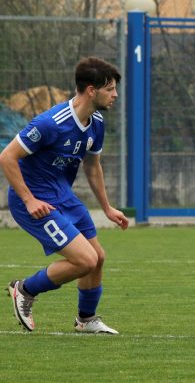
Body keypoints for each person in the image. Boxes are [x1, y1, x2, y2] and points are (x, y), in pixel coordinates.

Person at [0, 57, 128, 334]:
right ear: (91, 90)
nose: (115, 95)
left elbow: (92, 167)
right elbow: (7, 157)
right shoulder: (50, 123)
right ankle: (24, 289)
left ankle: (86, 320)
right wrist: (29, 199)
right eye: (110, 89)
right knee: (85, 260)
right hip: (35, 200)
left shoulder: (96, 123)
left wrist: (106, 208)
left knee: (98, 257)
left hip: (63, 196)